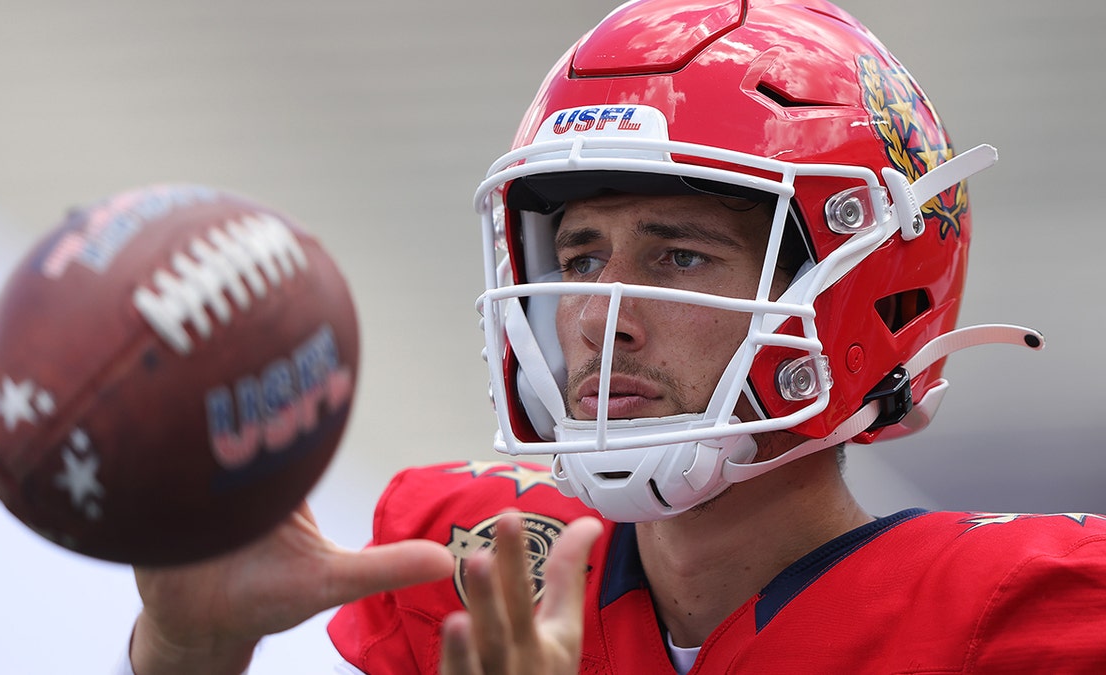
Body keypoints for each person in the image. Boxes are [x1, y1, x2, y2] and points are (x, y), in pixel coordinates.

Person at [122, 1, 1106, 673]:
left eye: (678, 257)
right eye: (583, 258)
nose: (600, 314)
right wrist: (188, 652)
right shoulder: (477, 562)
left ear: (857, 291)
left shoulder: (1018, 616)